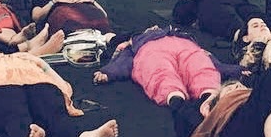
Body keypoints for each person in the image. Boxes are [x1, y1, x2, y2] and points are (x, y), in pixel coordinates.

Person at [0, 50, 120, 137]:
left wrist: (61, 88)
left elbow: (47, 70)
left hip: (37, 80)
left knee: (53, 114)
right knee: (13, 114)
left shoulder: (24, 57)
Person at [94, 28, 241, 104]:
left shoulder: (181, 34)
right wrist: (109, 72)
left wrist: (236, 70)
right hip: (153, 50)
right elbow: (124, 61)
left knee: (199, 65)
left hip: (186, 47)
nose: (155, 28)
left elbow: (209, 61)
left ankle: (208, 94)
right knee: (159, 70)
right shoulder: (137, 42)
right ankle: (175, 98)